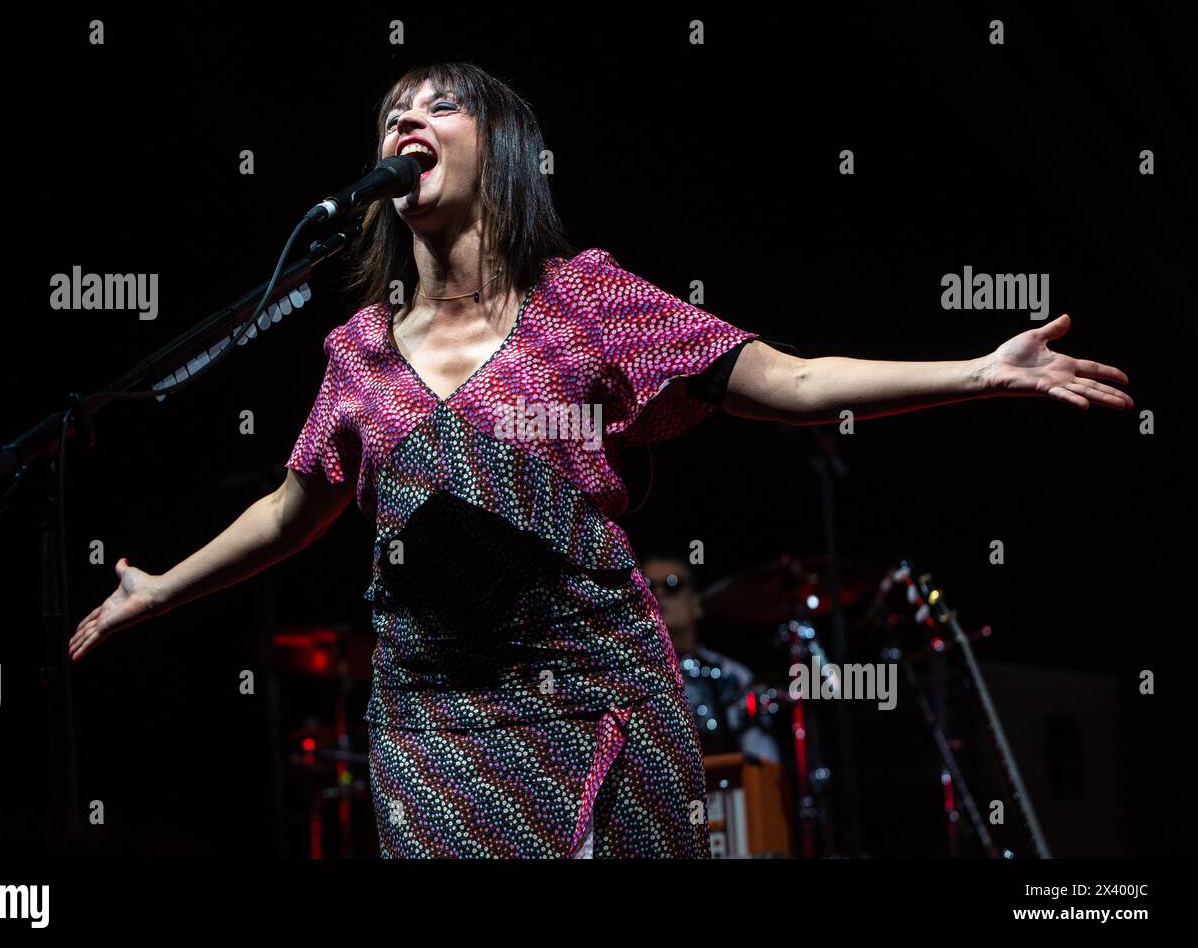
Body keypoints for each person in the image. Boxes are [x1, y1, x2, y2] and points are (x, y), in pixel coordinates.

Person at [67, 62, 1133, 859]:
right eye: (397, 106)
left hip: (594, 687)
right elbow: (292, 508)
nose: (408, 118)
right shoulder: (358, 350)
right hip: (432, 714)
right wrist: (156, 589)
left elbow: (795, 383)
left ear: (505, 151)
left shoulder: (585, 298)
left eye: (442, 105)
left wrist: (979, 372)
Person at [640, 553, 782, 763]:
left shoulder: (733, 675)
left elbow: (763, 762)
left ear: (696, 604)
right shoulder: (618, 677)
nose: (658, 593)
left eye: (673, 585)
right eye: (648, 586)